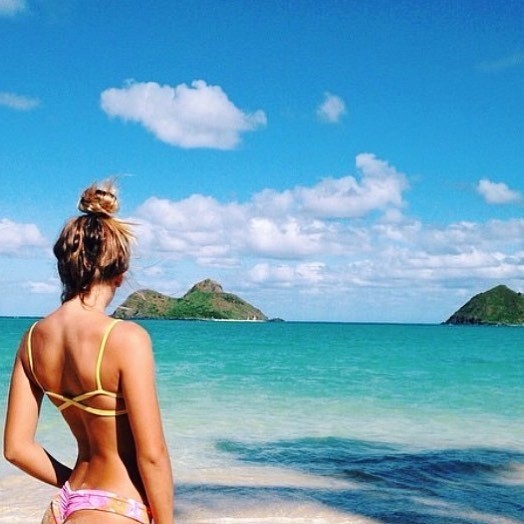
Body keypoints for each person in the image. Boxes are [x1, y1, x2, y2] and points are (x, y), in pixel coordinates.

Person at [3, 181, 173, 523]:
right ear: (120, 275)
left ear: (64, 268)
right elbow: (152, 455)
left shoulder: (32, 340)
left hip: (65, 503)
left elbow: (16, 448)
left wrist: (80, 493)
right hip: (117, 505)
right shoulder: (126, 338)